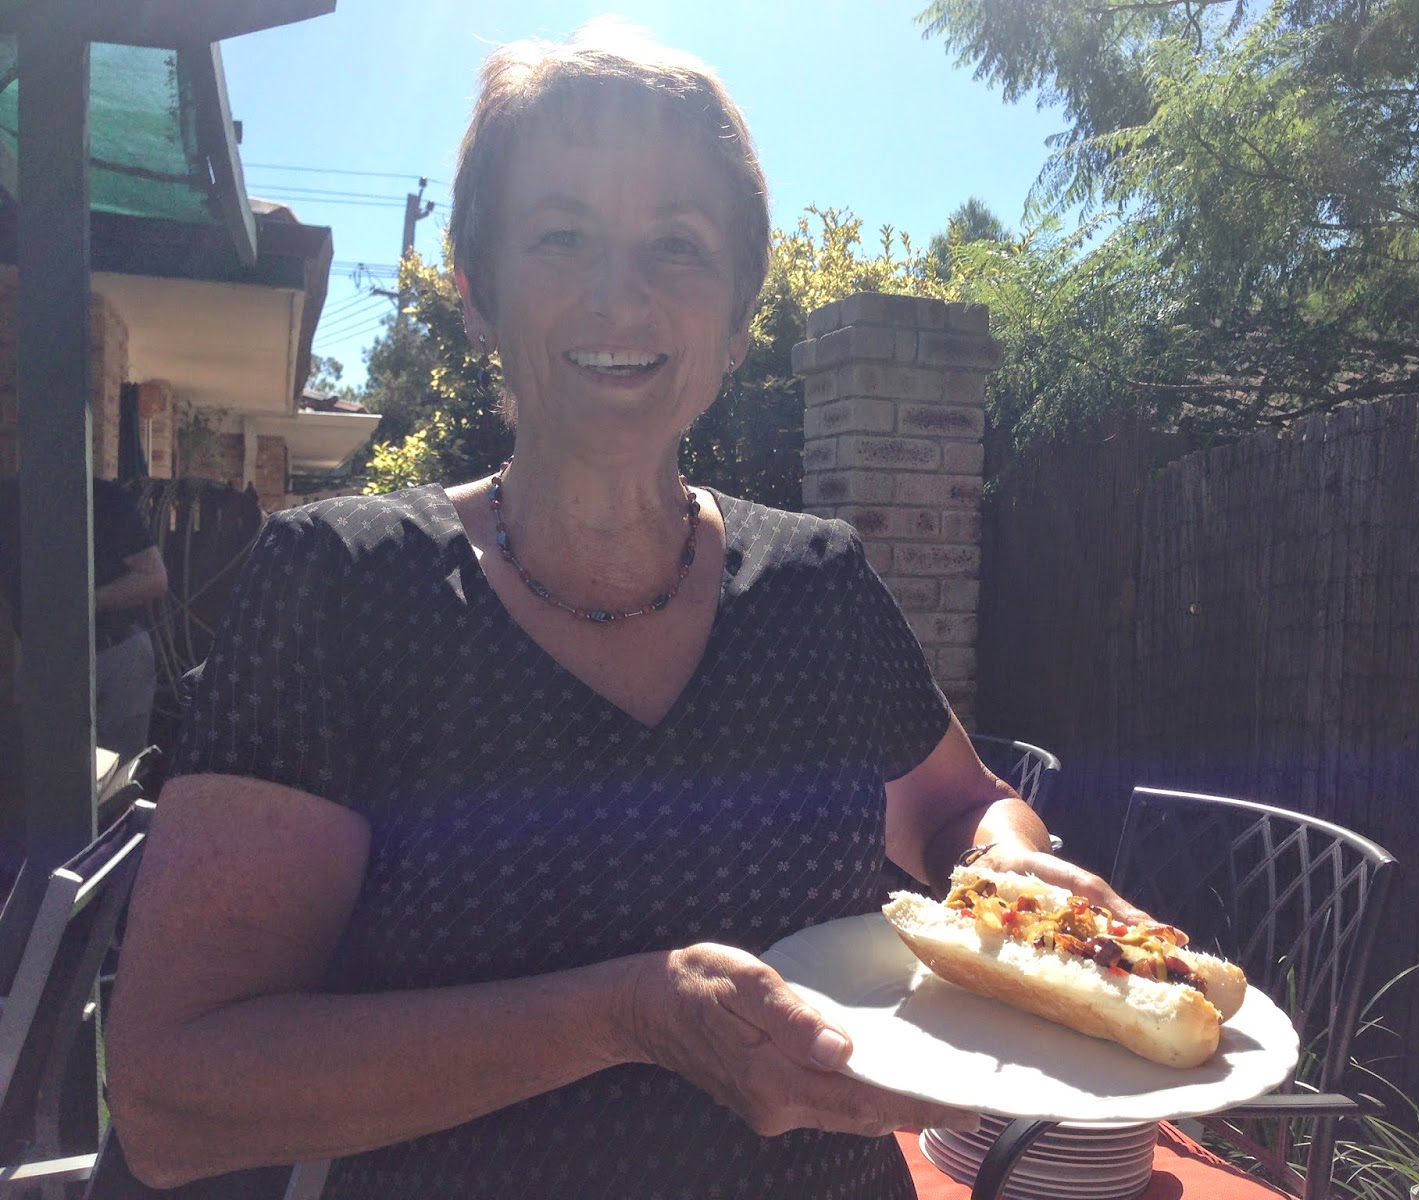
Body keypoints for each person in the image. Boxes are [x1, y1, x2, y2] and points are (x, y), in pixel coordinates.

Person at [105, 24, 1158, 1199]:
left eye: (678, 246)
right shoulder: (342, 587)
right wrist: (626, 1016)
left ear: (739, 323)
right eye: (562, 237)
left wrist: (1007, 873)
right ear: (478, 292)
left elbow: (958, 805)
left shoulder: (817, 584)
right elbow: (171, 1099)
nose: (622, 294)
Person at [0, 476, 168, 757]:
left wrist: (81, 604)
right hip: (44, 657)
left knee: (119, 772)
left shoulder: (106, 498)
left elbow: (154, 578)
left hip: (118, 656)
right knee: (46, 766)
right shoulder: (9, 501)